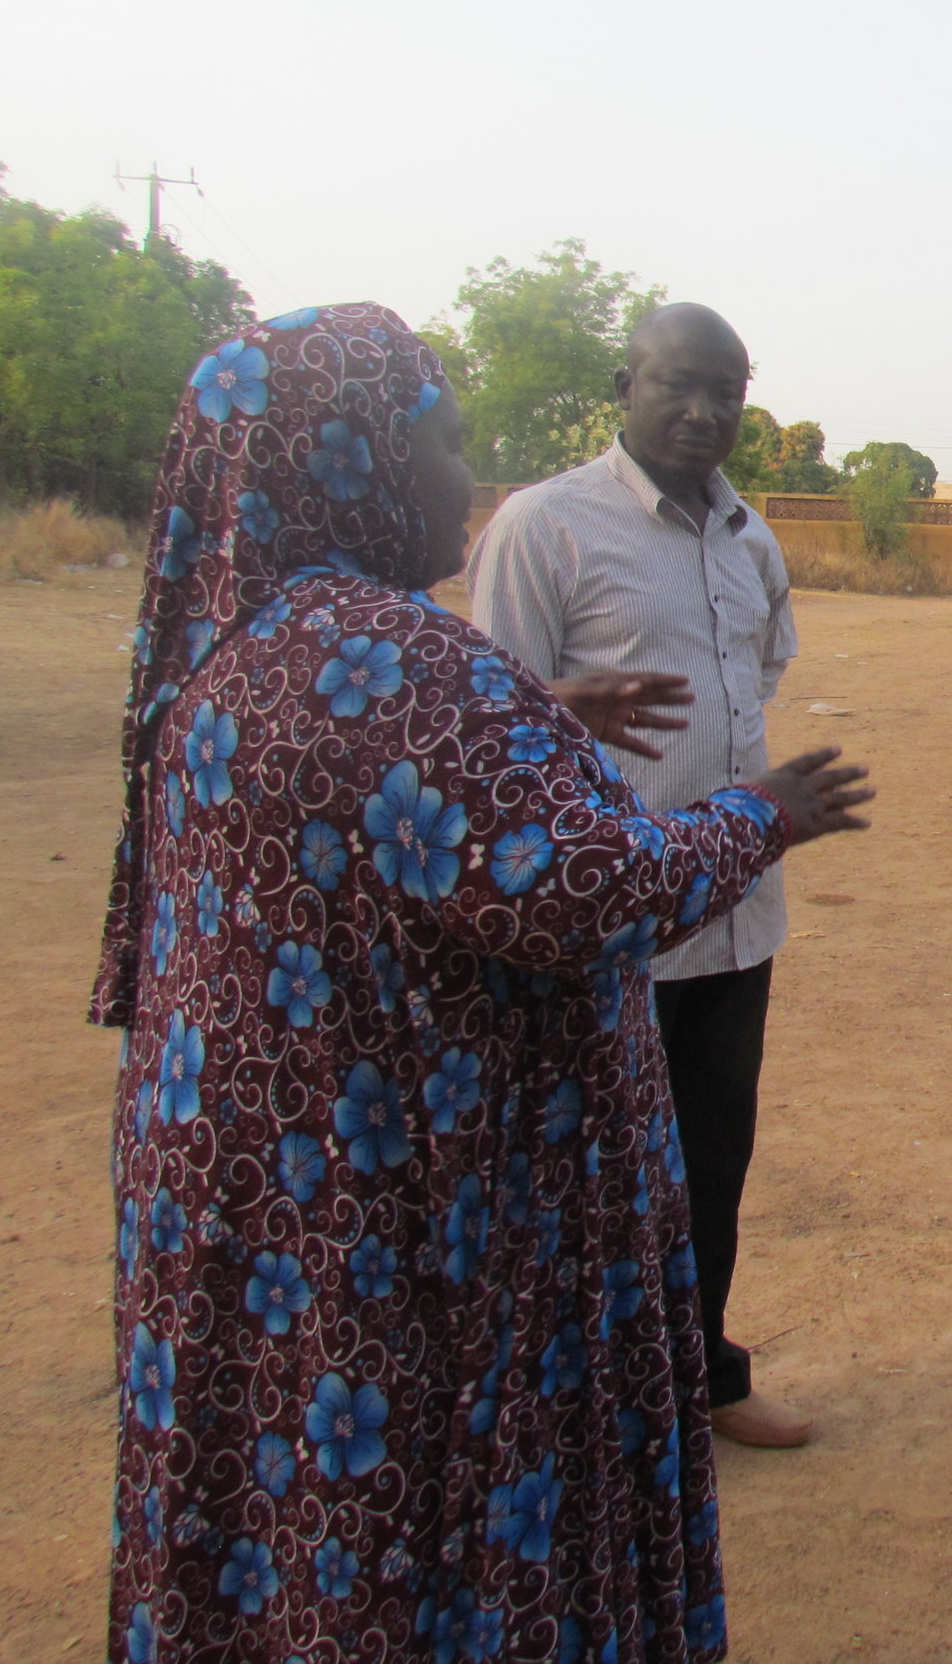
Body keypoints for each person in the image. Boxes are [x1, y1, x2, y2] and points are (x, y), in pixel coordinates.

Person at [93, 303, 871, 1661]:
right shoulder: (397, 656)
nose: (467, 475)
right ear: (348, 460)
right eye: (442, 441)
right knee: (417, 1500)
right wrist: (763, 815)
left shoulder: (232, 657)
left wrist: (532, 721)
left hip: (272, 1200)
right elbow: (589, 889)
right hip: (402, 1214)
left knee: (292, 1506)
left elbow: (371, 810)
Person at [469, 302, 814, 1450]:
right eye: (676, 384)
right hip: (604, 930)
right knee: (588, 1180)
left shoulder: (750, 536)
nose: (702, 411)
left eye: (726, 390)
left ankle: (703, 1380)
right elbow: (490, 723)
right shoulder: (544, 527)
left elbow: (754, 677)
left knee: (711, 1164)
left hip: (735, 919)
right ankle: (584, 1418)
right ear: (625, 383)